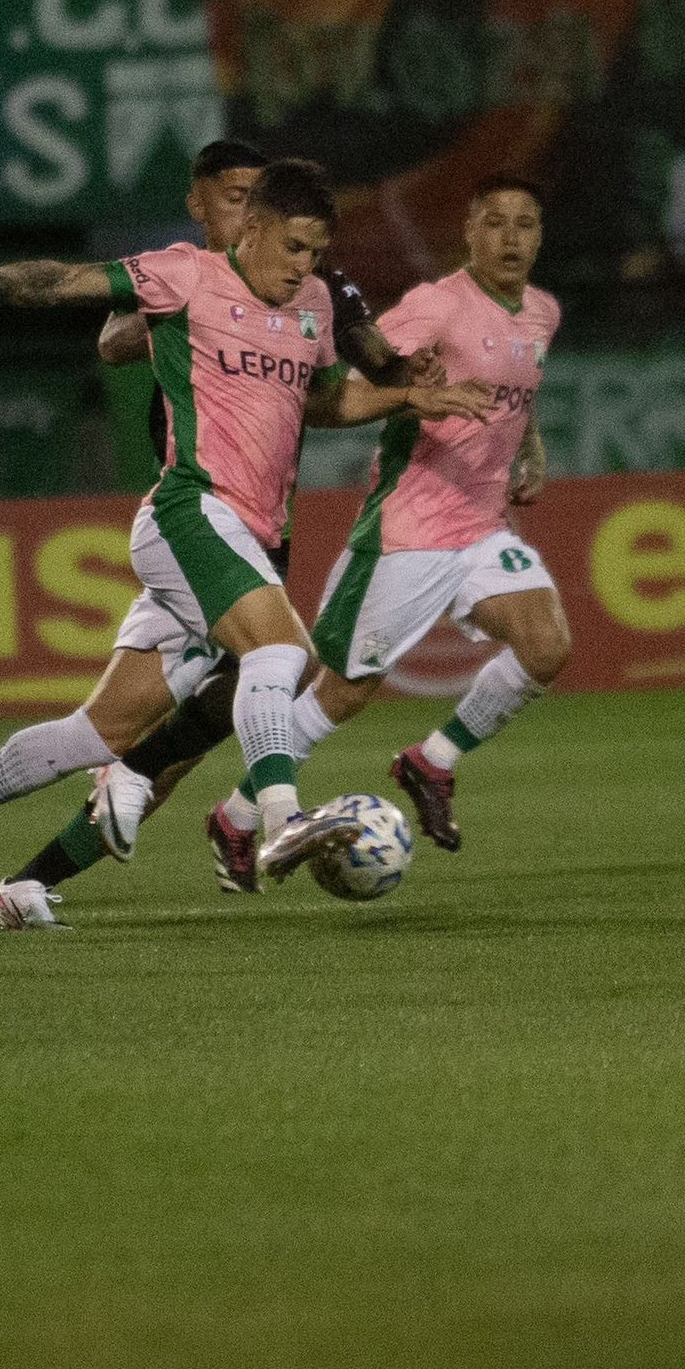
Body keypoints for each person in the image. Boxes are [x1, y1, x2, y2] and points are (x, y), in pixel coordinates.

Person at [0, 158, 491, 926]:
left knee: (97, 732)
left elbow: (321, 401)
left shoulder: (316, 304)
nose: (303, 267)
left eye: (314, 253)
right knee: (285, 655)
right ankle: (283, 822)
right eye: (291, 247)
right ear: (251, 228)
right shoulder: (186, 276)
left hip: (245, 535)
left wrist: (407, 394)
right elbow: (68, 283)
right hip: (188, 509)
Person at [0, 257, 467, 911]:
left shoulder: (318, 289)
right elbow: (112, 343)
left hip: (264, 529)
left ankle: (49, 862)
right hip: (196, 511)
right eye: (238, 198)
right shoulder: (186, 276)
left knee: (199, 718)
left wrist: (409, 375)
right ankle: (254, 816)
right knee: (241, 682)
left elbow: (360, 372)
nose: (288, 245)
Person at [209, 174, 570, 870]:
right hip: (407, 532)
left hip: (482, 526)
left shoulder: (541, 315)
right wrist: (414, 392)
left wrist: (529, 443)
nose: (510, 237)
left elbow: (515, 390)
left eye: (525, 223)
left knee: (546, 644)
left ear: (540, 236)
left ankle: (431, 764)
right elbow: (353, 384)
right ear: (468, 231)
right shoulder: (438, 305)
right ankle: (234, 818)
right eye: (494, 221)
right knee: (341, 695)